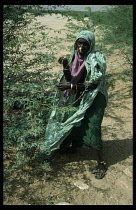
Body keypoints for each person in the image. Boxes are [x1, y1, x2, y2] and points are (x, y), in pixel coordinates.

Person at [41, 30, 108, 179]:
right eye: (79, 43)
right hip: (80, 94)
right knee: (73, 120)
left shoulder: (96, 58)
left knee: (93, 126)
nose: (82, 47)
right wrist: (65, 65)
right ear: (75, 43)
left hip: (96, 97)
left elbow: (92, 84)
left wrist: (70, 87)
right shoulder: (74, 57)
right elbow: (70, 77)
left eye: (85, 44)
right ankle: (72, 146)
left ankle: (101, 162)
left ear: (91, 44)